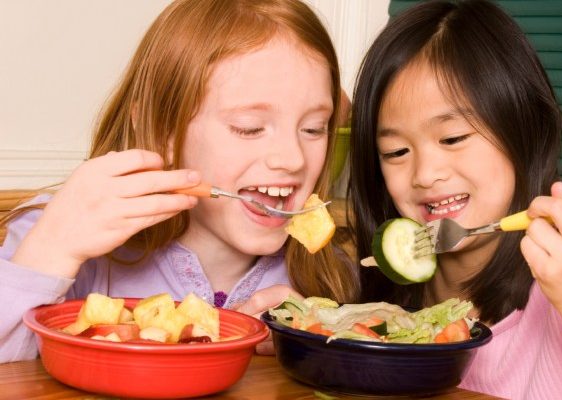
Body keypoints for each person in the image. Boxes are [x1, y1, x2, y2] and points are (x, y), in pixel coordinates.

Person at [347, 1, 562, 399]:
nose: (425, 174)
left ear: (521, 131)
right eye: (396, 152)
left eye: (453, 138)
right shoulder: (388, 297)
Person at [0, 0, 359, 362]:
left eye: (314, 129)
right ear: (162, 129)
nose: (293, 159)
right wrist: (49, 251)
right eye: (249, 128)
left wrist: (314, 339)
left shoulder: (327, 277)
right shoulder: (62, 242)